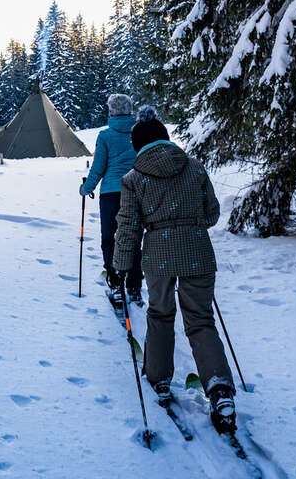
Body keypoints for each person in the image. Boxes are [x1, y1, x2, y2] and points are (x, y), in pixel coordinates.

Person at [112, 105, 237, 432]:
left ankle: (158, 377)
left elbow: (128, 227)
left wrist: (121, 266)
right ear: (166, 139)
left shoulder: (133, 178)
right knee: (200, 319)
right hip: (197, 251)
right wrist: (189, 224)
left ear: (137, 146)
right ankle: (220, 387)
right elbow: (212, 214)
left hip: (159, 255)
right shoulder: (194, 168)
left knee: (160, 313)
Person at [80, 93, 143, 306]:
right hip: (135, 192)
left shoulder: (105, 136)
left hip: (110, 194)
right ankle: (134, 285)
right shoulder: (138, 132)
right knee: (133, 237)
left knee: (109, 237)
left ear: (111, 111)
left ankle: (115, 282)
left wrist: (86, 188)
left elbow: (98, 167)